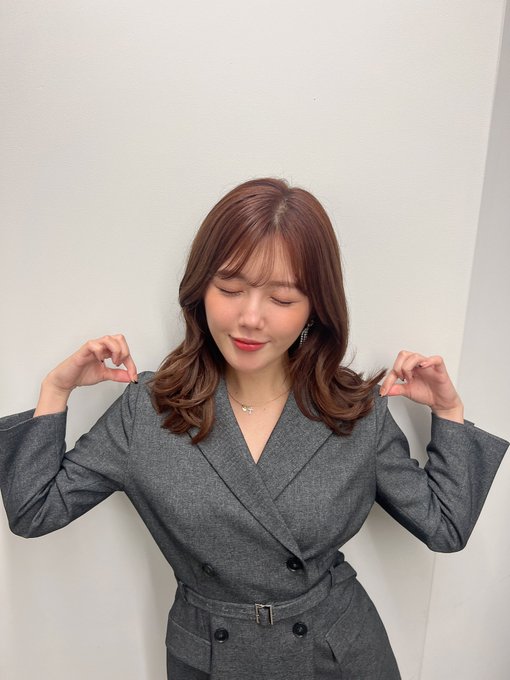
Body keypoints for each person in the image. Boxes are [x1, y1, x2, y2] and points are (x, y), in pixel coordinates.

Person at [0, 177, 507, 680]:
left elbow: (445, 528)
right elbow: (32, 511)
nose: (250, 318)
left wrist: (448, 411)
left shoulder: (355, 411)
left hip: (335, 655)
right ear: (200, 291)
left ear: (315, 308)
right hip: (212, 658)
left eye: (282, 299)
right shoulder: (149, 410)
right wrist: (56, 391)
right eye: (230, 289)